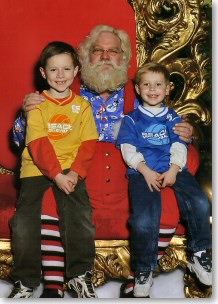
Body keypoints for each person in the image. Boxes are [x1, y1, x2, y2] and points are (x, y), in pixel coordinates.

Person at [13, 25, 194, 298]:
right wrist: (26, 115)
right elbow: (22, 140)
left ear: (125, 59)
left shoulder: (144, 91)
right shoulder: (61, 87)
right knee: (50, 199)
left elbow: (171, 128)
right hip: (76, 164)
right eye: (98, 51)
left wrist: (187, 133)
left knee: (165, 203)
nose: (106, 57)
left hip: (132, 169)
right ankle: (54, 283)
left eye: (114, 51)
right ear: (83, 61)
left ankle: (139, 277)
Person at [9, 41, 98, 299]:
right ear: (43, 73)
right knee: (24, 222)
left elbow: (88, 143)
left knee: (81, 215)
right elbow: (37, 143)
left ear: (76, 71)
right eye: (54, 70)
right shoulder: (36, 104)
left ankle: (79, 275)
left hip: (70, 169)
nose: (60, 76)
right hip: (37, 168)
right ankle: (25, 280)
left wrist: (74, 173)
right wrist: (56, 175)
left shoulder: (81, 106)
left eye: (66, 69)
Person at [116, 63, 212, 298]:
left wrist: (174, 169)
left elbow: (179, 144)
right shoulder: (131, 119)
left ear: (167, 89)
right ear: (138, 88)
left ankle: (200, 254)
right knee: (144, 218)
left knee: (200, 202)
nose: (152, 89)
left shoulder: (173, 117)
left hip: (173, 169)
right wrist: (144, 170)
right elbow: (128, 148)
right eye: (146, 84)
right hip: (142, 172)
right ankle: (143, 270)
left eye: (158, 84)